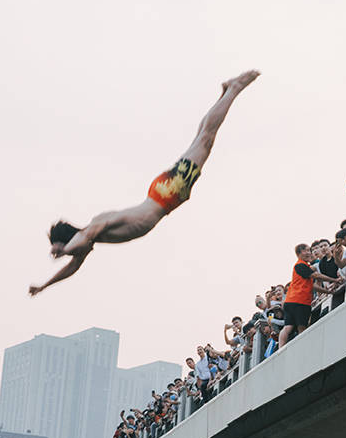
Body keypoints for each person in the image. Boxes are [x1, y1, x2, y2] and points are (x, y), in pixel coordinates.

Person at [30, 70, 261, 295]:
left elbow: (80, 242)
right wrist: (44, 286)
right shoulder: (91, 237)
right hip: (163, 193)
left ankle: (233, 89)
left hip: (167, 194)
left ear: (69, 239)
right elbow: (72, 268)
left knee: (205, 139)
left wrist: (64, 249)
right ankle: (225, 93)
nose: (71, 255)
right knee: (201, 138)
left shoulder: (92, 230)